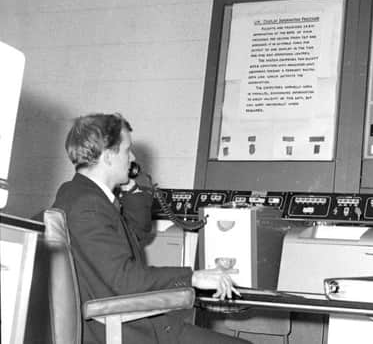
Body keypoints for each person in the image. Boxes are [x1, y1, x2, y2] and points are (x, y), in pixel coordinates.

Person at [52, 113, 250, 344]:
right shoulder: (89, 206)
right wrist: (193, 277)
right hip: (126, 331)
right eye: (127, 150)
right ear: (108, 157)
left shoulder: (79, 194)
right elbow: (124, 279)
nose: (133, 157)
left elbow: (134, 235)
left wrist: (133, 191)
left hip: (130, 323)